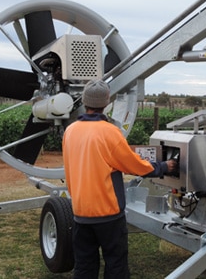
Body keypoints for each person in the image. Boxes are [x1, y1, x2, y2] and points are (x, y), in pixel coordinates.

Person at [62, 80, 176, 279]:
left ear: (85, 101)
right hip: (108, 214)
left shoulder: (70, 131)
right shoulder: (110, 132)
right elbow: (135, 166)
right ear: (106, 102)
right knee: (116, 264)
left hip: (80, 211)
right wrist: (165, 167)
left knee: (84, 265)